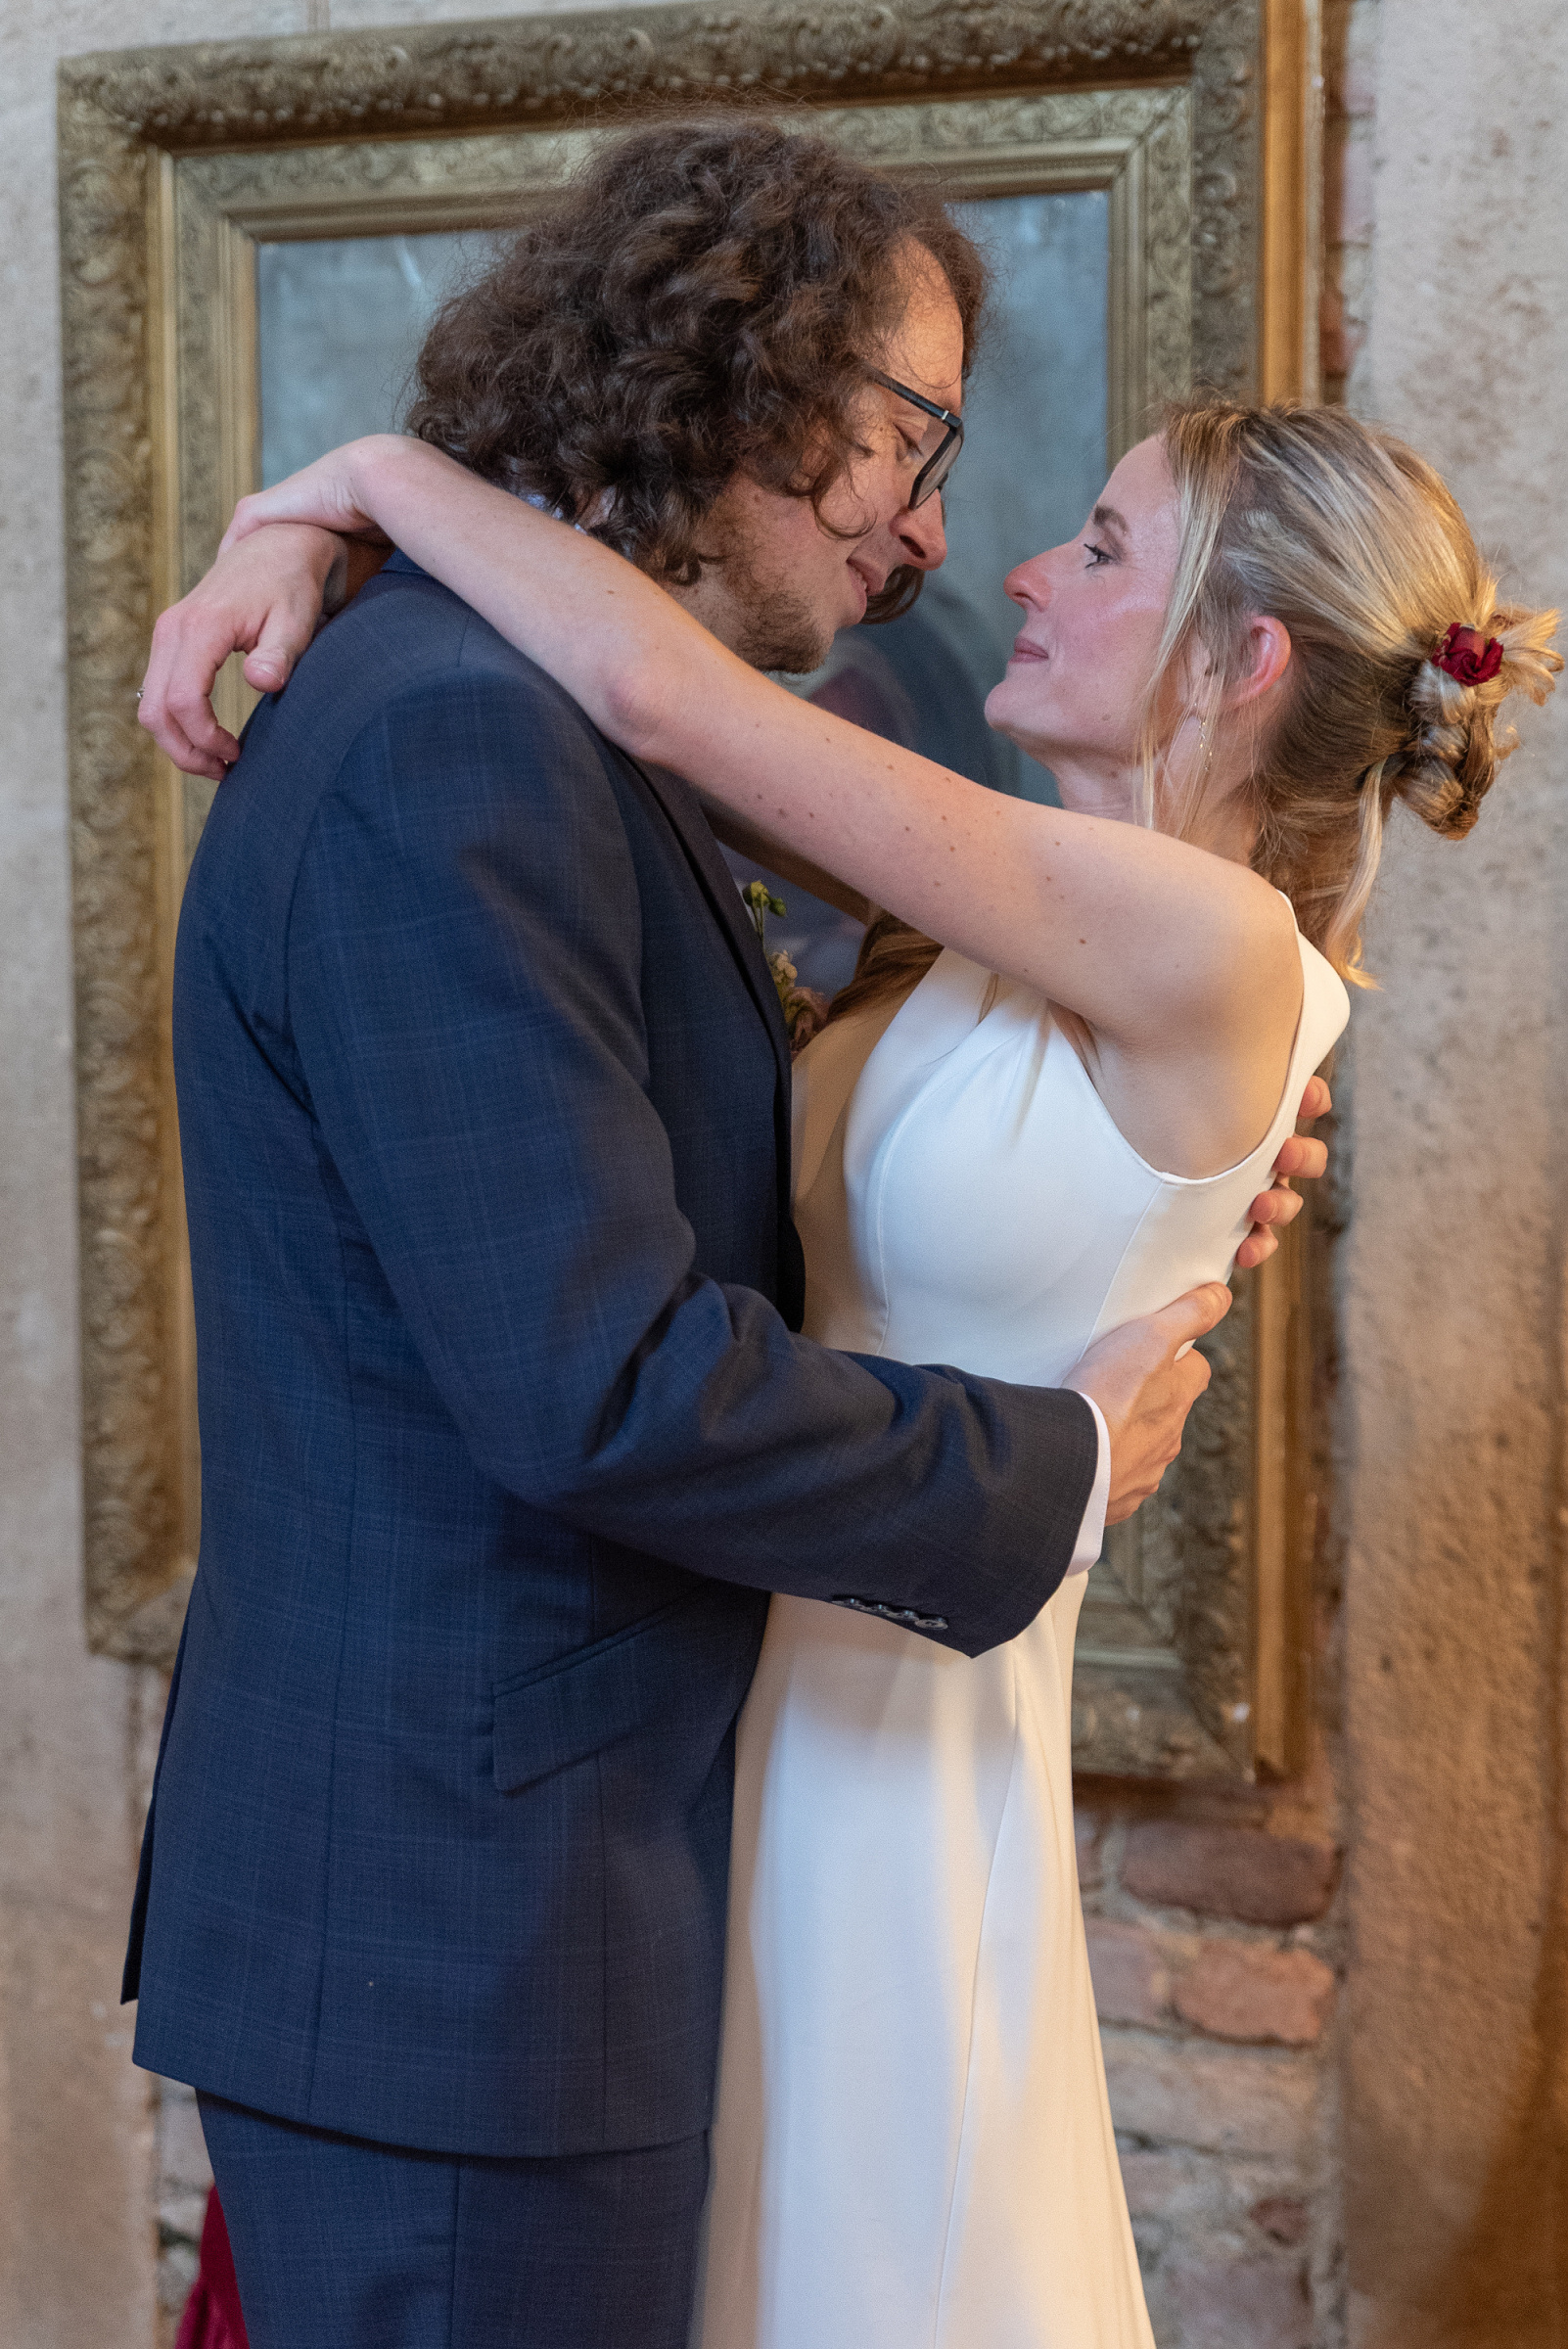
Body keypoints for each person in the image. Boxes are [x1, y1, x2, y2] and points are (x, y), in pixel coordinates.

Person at [145, 382, 1557, 2348]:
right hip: (711, 1733)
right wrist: (322, 555)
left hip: (894, 1760)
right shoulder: (994, 927)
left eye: (1102, 546)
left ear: (1240, 660)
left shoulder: (1212, 947)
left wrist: (366, 480)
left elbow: (657, 700)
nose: (1023, 572)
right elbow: (608, 762)